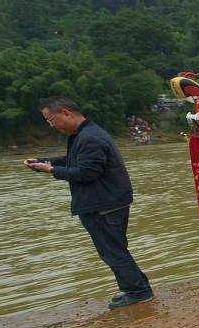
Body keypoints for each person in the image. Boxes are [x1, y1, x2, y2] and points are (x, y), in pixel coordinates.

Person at [24, 97, 153, 308]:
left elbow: (86, 172)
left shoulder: (89, 137)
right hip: (107, 201)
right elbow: (74, 160)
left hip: (103, 204)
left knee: (112, 251)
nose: (51, 125)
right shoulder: (85, 134)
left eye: (51, 119)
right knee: (115, 249)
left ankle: (138, 291)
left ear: (66, 113)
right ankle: (136, 287)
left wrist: (52, 170)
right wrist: (44, 163)